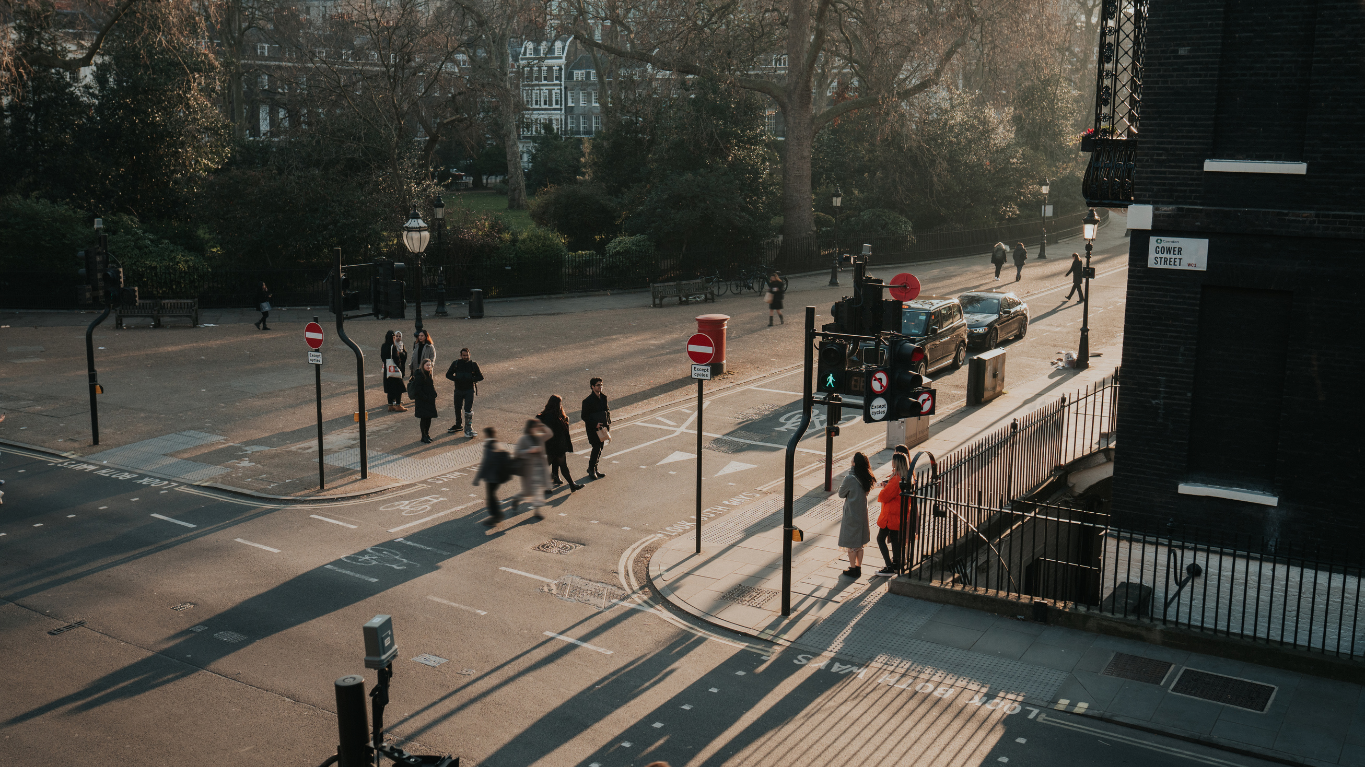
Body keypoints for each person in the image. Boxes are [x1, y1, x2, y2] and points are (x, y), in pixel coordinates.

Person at [837, 452, 874, 578]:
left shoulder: (850, 478)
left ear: (854, 463)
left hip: (851, 514)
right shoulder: (866, 477)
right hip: (862, 513)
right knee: (860, 544)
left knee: (852, 545)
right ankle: (858, 567)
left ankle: (852, 568)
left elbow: (841, 494)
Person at [874, 453, 910, 576]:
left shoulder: (896, 479)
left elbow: (884, 496)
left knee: (880, 539)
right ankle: (896, 564)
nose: (892, 462)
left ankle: (889, 567)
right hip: (899, 514)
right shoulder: (907, 477)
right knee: (895, 540)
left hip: (890, 515)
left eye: (893, 460)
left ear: (897, 463)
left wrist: (884, 488)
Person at [538, 395, 583, 491]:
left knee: (560, 466)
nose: (561, 405)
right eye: (559, 403)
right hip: (553, 447)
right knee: (560, 466)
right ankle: (572, 485)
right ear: (555, 404)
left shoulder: (554, 415)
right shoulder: (550, 417)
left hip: (555, 447)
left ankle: (571, 485)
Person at [512, 419, 552, 518]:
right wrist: (529, 450)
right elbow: (517, 453)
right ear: (530, 428)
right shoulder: (523, 439)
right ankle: (516, 498)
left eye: (537, 427)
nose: (537, 429)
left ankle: (537, 512)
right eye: (535, 427)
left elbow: (550, 434)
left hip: (540, 468)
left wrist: (542, 425)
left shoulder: (539, 437)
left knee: (538, 490)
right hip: (528, 470)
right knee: (528, 492)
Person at [445, 347, 484, 437]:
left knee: (468, 410)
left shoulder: (473, 365)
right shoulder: (456, 363)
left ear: (469, 355)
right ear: (460, 355)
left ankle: (468, 428)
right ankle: (458, 425)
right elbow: (448, 374)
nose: (465, 357)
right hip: (458, 390)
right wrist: (457, 379)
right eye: (464, 355)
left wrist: (470, 379)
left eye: (467, 355)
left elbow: (480, 377)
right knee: (457, 408)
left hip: (469, 390)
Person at [472, 427, 509, 526]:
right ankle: (497, 514)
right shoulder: (498, 444)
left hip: (492, 477)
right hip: (500, 476)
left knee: (490, 497)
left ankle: (496, 515)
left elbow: (485, 464)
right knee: (492, 495)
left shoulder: (489, 447)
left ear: (487, 435)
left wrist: (477, 478)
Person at [581, 377, 611, 479]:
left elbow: (607, 411)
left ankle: (595, 468)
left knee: (600, 447)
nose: (600, 387)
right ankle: (591, 469)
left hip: (602, 427)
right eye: (598, 385)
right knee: (596, 447)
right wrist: (595, 424)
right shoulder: (587, 401)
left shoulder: (603, 397)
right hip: (593, 429)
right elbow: (584, 416)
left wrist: (608, 423)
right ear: (592, 386)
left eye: (601, 385)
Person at [410, 359, 439, 443]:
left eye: (430, 365)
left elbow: (431, 385)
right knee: (424, 419)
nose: (429, 366)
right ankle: (423, 436)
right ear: (423, 366)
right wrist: (425, 397)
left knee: (429, 418)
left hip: (429, 400)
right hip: (422, 401)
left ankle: (427, 434)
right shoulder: (419, 375)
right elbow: (418, 390)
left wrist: (434, 393)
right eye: (427, 365)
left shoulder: (428, 374)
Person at [380, 330, 409, 412]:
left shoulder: (383, 346)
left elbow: (382, 357)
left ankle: (390, 405)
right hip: (394, 370)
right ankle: (398, 405)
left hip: (387, 369)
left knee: (390, 388)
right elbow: (396, 358)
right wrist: (400, 367)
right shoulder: (393, 346)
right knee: (399, 388)